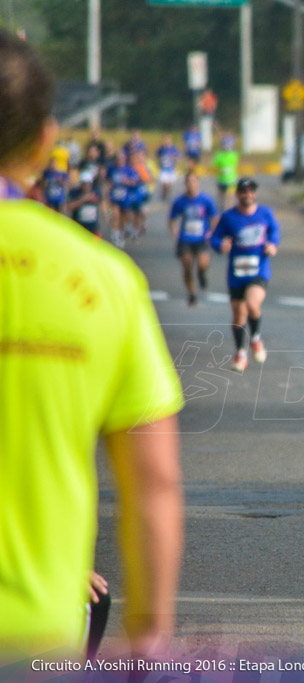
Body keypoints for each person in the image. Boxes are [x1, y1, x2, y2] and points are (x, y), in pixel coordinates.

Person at [0, 28, 184, 658]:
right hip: (34, 631)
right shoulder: (107, 280)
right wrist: (147, 638)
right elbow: (153, 483)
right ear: (47, 140)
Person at [209, 177, 280, 373]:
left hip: (259, 269)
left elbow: (274, 231)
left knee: (252, 304)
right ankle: (241, 352)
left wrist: (272, 245)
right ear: (237, 194)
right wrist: (220, 246)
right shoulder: (229, 217)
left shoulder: (265, 213)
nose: (248, 195)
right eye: (244, 191)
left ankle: (255, 339)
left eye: (251, 191)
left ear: (254, 194)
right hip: (236, 272)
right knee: (238, 315)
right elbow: (214, 237)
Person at [169, 170, 218, 306]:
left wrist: (211, 232)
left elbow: (214, 217)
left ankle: (202, 275)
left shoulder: (206, 200)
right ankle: (192, 293)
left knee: (202, 264)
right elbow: (172, 218)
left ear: (198, 183)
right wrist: (174, 231)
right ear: (185, 184)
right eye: (188, 182)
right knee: (187, 265)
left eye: (193, 181)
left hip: (202, 238)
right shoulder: (180, 201)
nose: (191, 184)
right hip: (185, 239)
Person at [211, 134, 239, 211]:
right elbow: (214, 166)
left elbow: (235, 164)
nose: (227, 147)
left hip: (231, 180)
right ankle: (221, 211)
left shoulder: (234, 154)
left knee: (230, 197)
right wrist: (220, 170)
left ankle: (229, 210)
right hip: (221, 179)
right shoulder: (219, 155)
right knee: (221, 197)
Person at [156, 134, 180, 201]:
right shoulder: (161, 149)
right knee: (165, 184)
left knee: (169, 185)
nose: (166, 141)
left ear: (170, 140)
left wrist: (173, 158)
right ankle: (164, 195)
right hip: (163, 170)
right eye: (165, 140)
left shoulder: (174, 149)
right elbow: (157, 156)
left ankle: (166, 195)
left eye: (167, 140)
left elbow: (178, 157)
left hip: (171, 170)